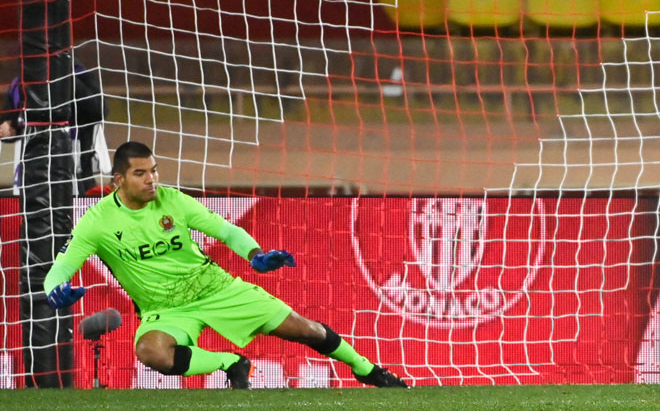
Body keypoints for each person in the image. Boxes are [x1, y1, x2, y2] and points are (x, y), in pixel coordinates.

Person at [43, 141, 407, 389]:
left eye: (154, 170)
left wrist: (254, 254)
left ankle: (368, 370)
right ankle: (229, 363)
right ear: (118, 180)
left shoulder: (174, 201)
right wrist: (54, 289)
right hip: (164, 310)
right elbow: (64, 264)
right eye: (141, 173)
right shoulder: (98, 221)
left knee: (305, 330)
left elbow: (226, 230)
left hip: (215, 288)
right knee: (151, 351)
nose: (152, 179)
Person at [1, 65, 111, 194]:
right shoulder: (20, 82)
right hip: (31, 170)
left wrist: (65, 77)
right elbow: (10, 121)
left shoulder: (79, 75)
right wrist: (9, 127)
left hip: (75, 169)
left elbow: (99, 111)